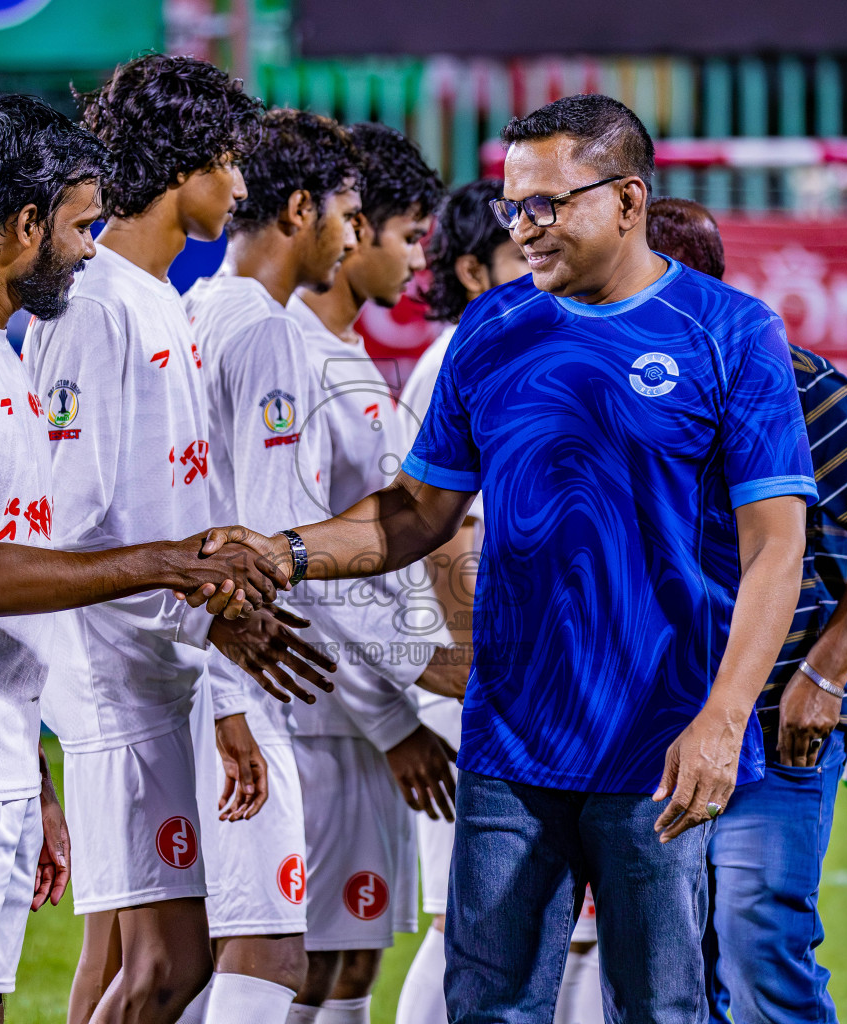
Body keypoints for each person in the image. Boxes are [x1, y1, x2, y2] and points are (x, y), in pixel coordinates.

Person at [202, 93, 817, 1023]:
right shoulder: (493, 332)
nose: (524, 227)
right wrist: (283, 552)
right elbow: (413, 514)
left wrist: (725, 720)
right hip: (510, 746)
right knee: (487, 1008)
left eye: (548, 204)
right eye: (512, 204)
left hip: (659, 741)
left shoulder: (734, 334)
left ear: (628, 200)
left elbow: (779, 548)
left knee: (661, 1009)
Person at [0, 91, 287, 1024]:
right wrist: (170, 566)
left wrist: (36, 771)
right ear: (24, 224)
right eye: (83, 226)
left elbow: (23, 564)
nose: (92, 249)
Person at [24, 57, 334, 1024]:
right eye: (229, 162)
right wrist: (206, 630)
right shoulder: (91, 302)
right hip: (120, 678)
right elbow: (69, 524)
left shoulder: (159, 298)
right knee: (161, 966)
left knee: (168, 960)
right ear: (183, 162)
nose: (239, 187)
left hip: (172, 669)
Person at [644, 198, 847, 1024]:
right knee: (670, 962)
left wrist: (825, 669)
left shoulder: (790, 378)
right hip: (648, 733)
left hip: (774, 724)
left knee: (757, 938)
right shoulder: (605, 383)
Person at [179, 107, 369, 1024]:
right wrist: (229, 697)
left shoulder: (195, 311)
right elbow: (252, 539)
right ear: (300, 209)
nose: (355, 237)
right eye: (348, 213)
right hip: (239, 672)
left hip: (191, 666)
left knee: (164, 956)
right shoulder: (266, 332)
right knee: (269, 949)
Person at [276, 121, 463, 1024]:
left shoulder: (349, 362)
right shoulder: (299, 362)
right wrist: (396, 719)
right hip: (321, 713)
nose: (411, 256)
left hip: (352, 709)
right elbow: (305, 559)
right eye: (405, 233)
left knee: (349, 965)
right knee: (309, 965)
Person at [391, 176, 527, 1024]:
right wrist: (486, 678)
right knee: (473, 921)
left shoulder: (487, 350)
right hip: (476, 680)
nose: (544, 268)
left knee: (496, 919)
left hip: (485, 676)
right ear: (474, 271)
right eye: (523, 254)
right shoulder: (466, 359)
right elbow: (449, 534)